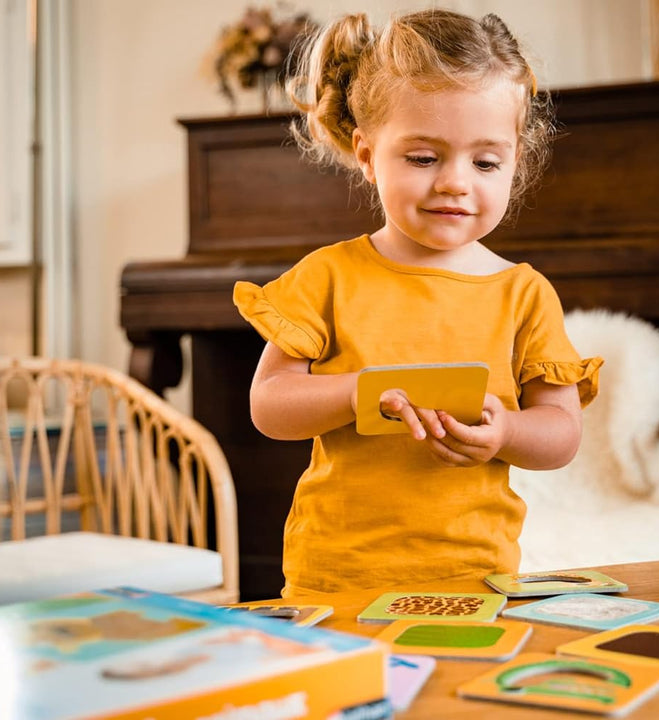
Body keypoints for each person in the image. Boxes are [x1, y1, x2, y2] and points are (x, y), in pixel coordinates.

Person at [233, 8, 602, 597]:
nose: (456, 182)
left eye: (485, 162)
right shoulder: (327, 276)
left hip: (476, 578)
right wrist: (361, 390)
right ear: (365, 152)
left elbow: (561, 432)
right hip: (335, 577)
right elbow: (269, 406)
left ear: (515, 162)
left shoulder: (524, 293)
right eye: (423, 158)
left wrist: (505, 431)